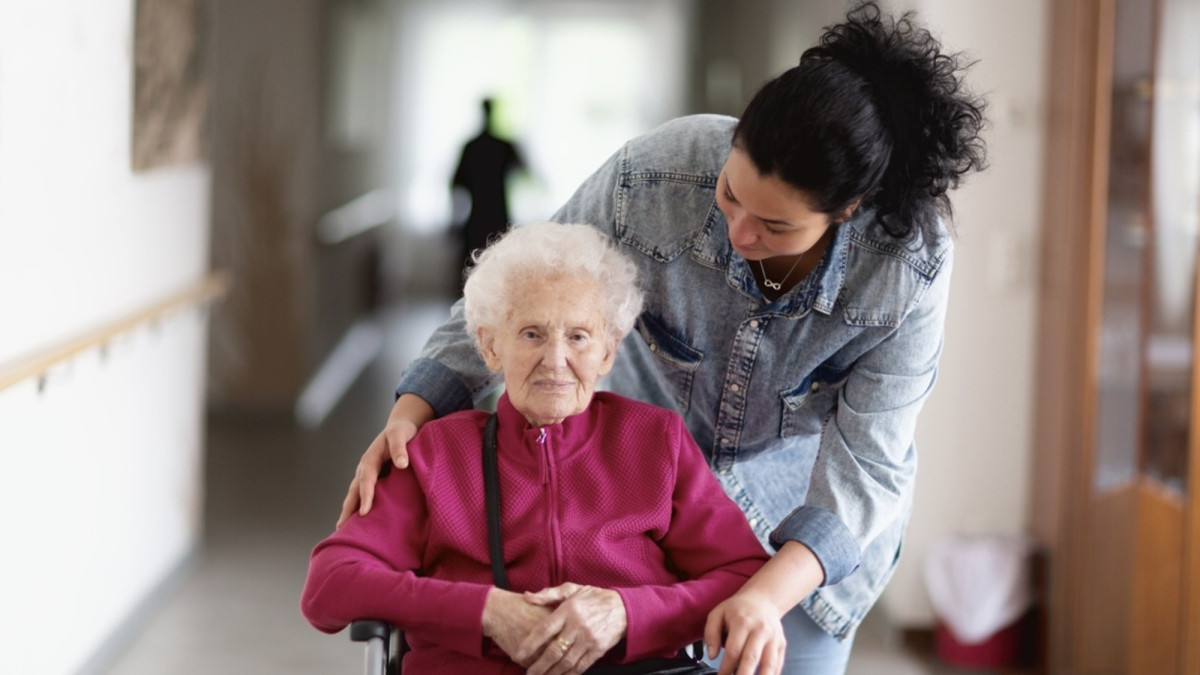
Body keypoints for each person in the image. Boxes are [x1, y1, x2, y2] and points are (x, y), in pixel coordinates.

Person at [340, 3, 987, 673]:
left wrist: (764, 596)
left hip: (799, 521)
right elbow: (522, 285)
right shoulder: (659, 174)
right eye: (731, 194)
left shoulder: (907, 269)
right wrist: (409, 415)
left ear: (845, 212)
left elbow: (868, 469)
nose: (739, 233)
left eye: (774, 226)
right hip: (636, 491)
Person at [303, 222, 772, 675]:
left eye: (578, 336)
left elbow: (743, 576)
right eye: (532, 334)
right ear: (490, 347)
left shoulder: (656, 441)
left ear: (607, 351)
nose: (555, 361)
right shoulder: (435, 453)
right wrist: (485, 611)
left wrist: (629, 612)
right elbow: (330, 584)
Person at [450, 97, 526, 292]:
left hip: (482, 217)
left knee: (480, 273)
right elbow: (525, 170)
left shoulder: (473, 146)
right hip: (494, 216)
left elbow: (455, 185)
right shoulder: (503, 145)